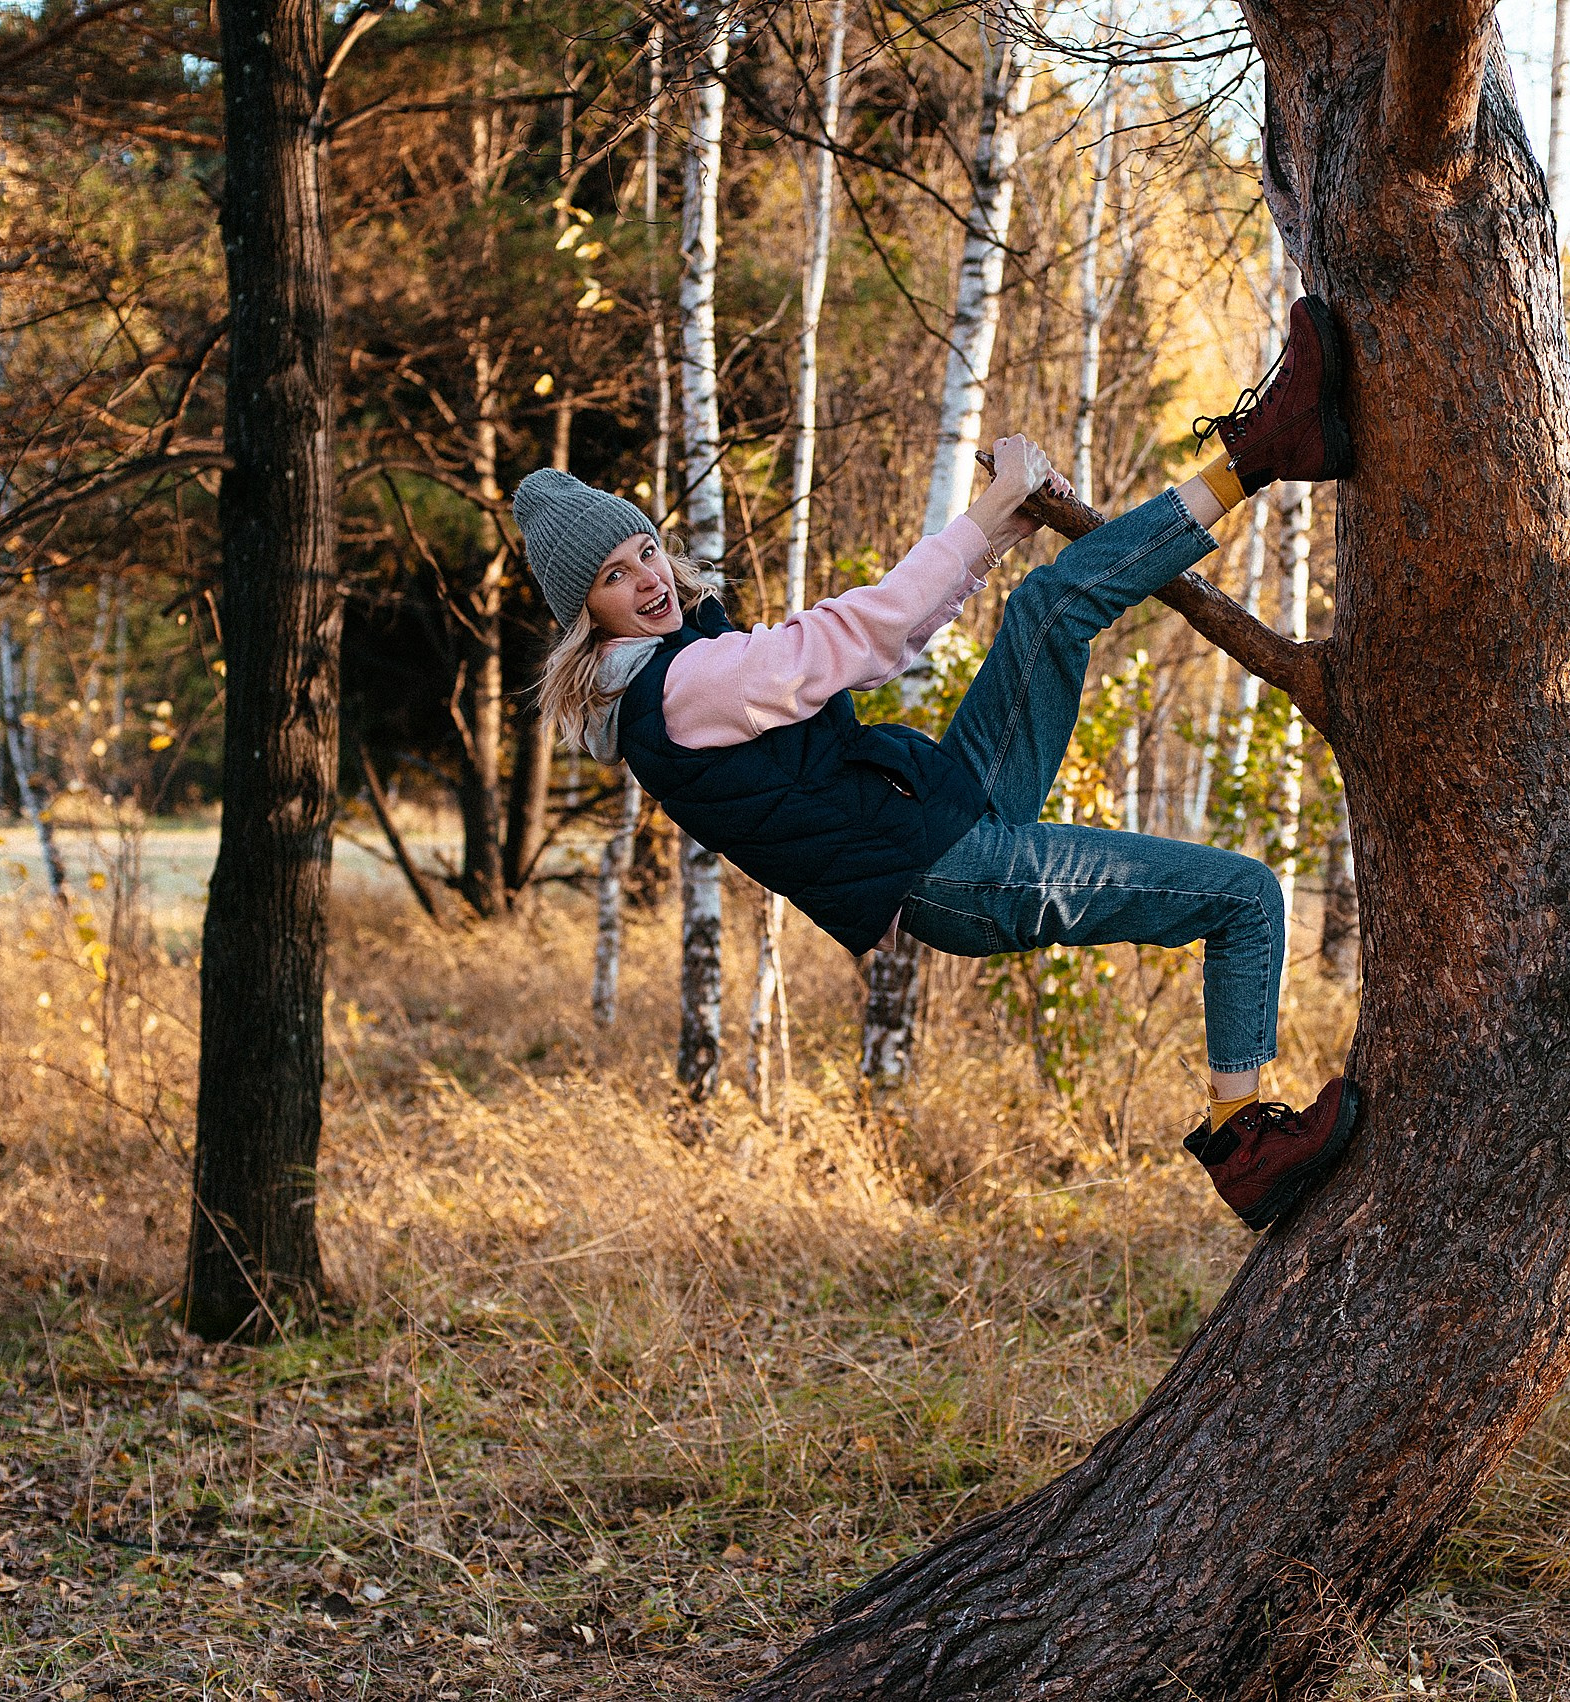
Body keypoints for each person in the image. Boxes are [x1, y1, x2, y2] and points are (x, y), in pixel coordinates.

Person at [513, 297, 1363, 1232]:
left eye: (644, 554)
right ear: (587, 617)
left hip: (948, 808)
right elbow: (851, 639)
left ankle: (1261, 455)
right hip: (949, 870)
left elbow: (887, 643)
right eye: (614, 579)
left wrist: (994, 530)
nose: (647, 581)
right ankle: (1244, 1144)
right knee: (1245, 898)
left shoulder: (684, 667)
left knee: (1048, 604)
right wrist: (981, 519)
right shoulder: (676, 691)